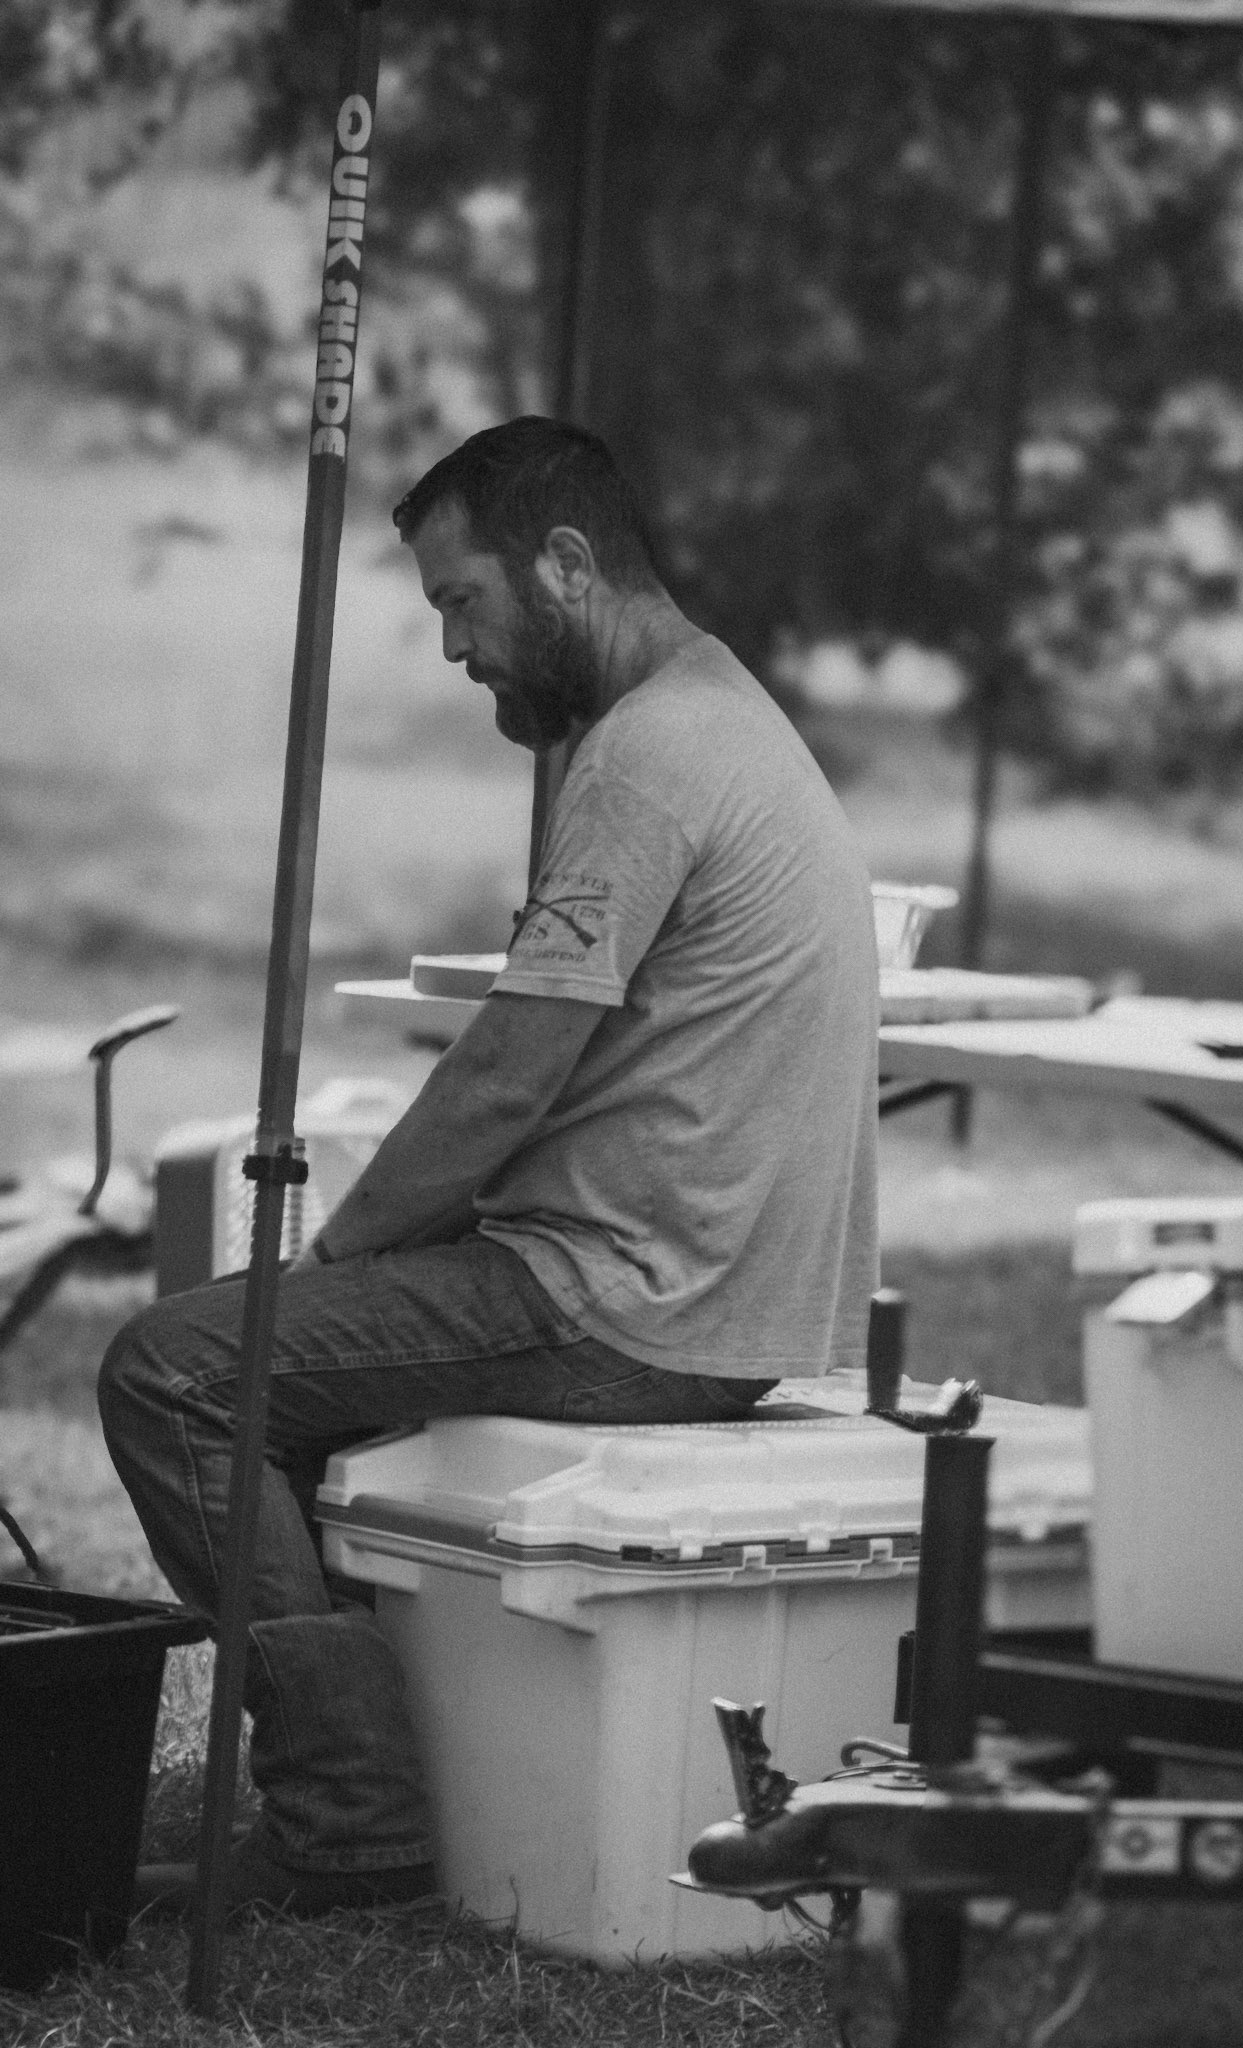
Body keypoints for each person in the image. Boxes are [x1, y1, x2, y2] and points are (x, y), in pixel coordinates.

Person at [101, 416, 880, 1915]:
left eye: (463, 602)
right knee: (275, 1373)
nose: (457, 648)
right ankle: (383, 1778)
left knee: (179, 1369)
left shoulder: (648, 758)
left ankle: (352, 1824)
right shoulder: (723, 716)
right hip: (702, 1297)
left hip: (625, 1302)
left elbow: (506, 1077)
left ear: (567, 565)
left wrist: (332, 1262)